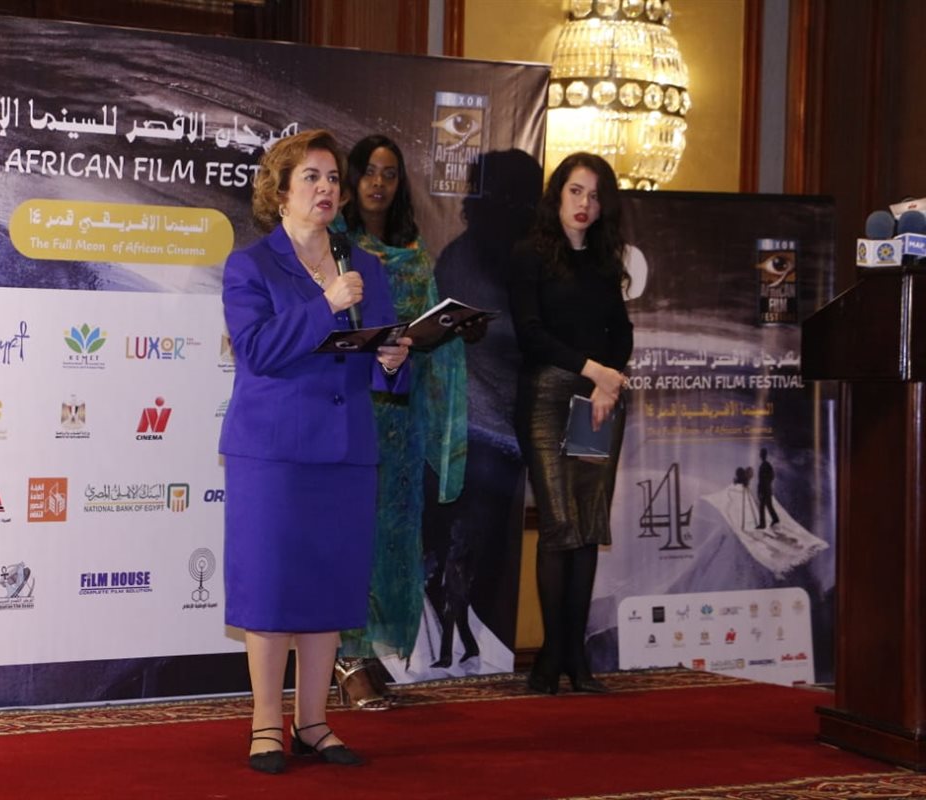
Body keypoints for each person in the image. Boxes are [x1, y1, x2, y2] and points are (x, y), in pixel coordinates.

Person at [219, 129, 411, 773]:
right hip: (273, 453)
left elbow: (384, 362)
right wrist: (326, 304)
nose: (327, 188)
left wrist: (393, 360)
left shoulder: (366, 267)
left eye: (333, 178)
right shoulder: (250, 265)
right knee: (273, 587)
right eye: (312, 177)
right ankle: (265, 724)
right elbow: (257, 351)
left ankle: (313, 721)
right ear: (280, 192)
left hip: (346, 449)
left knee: (328, 586)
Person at [333, 134, 474, 708]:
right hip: (351, 415)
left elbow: (426, 335)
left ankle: (369, 652)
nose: (378, 183)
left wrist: (449, 331)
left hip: (402, 421)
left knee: (392, 541)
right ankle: (345, 656)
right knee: (352, 536)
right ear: (351, 179)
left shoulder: (415, 255)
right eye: (368, 171)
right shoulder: (336, 247)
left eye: (389, 174)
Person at [509, 152, 633, 695]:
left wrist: (608, 382)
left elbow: (621, 333)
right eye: (576, 191)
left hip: (599, 400)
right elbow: (531, 333)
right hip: (547, 396)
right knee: (559, 524)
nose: (585, 204)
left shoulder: (604, 260)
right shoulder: (530, 254)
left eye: (596, 195)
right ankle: (550, 656)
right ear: (558, 194)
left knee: (586, 525)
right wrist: (594, 372)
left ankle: (575, 658)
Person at [756, 448, 779, 529]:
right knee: (769, 505)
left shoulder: (765, 465)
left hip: (765, 490)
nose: (760, 455)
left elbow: (765, 479)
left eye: (761, 454)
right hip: (767, 489)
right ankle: (775, 519)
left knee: (762, 507)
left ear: (763, 455)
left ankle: (763, 524)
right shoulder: (766, 465)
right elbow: (771, 476)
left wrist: (762, 488)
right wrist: (768, 484)